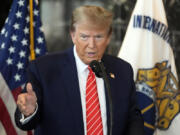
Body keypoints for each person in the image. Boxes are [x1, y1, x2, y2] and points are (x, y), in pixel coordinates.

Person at [15, 5, 144, 135]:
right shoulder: (44, 69)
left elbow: (132, 118)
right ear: (73, 35)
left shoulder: (122, 70)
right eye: (84, 37)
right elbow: (26, 122)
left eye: (98, 37)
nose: (92, 45)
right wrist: (30, 111)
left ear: (108, 37)